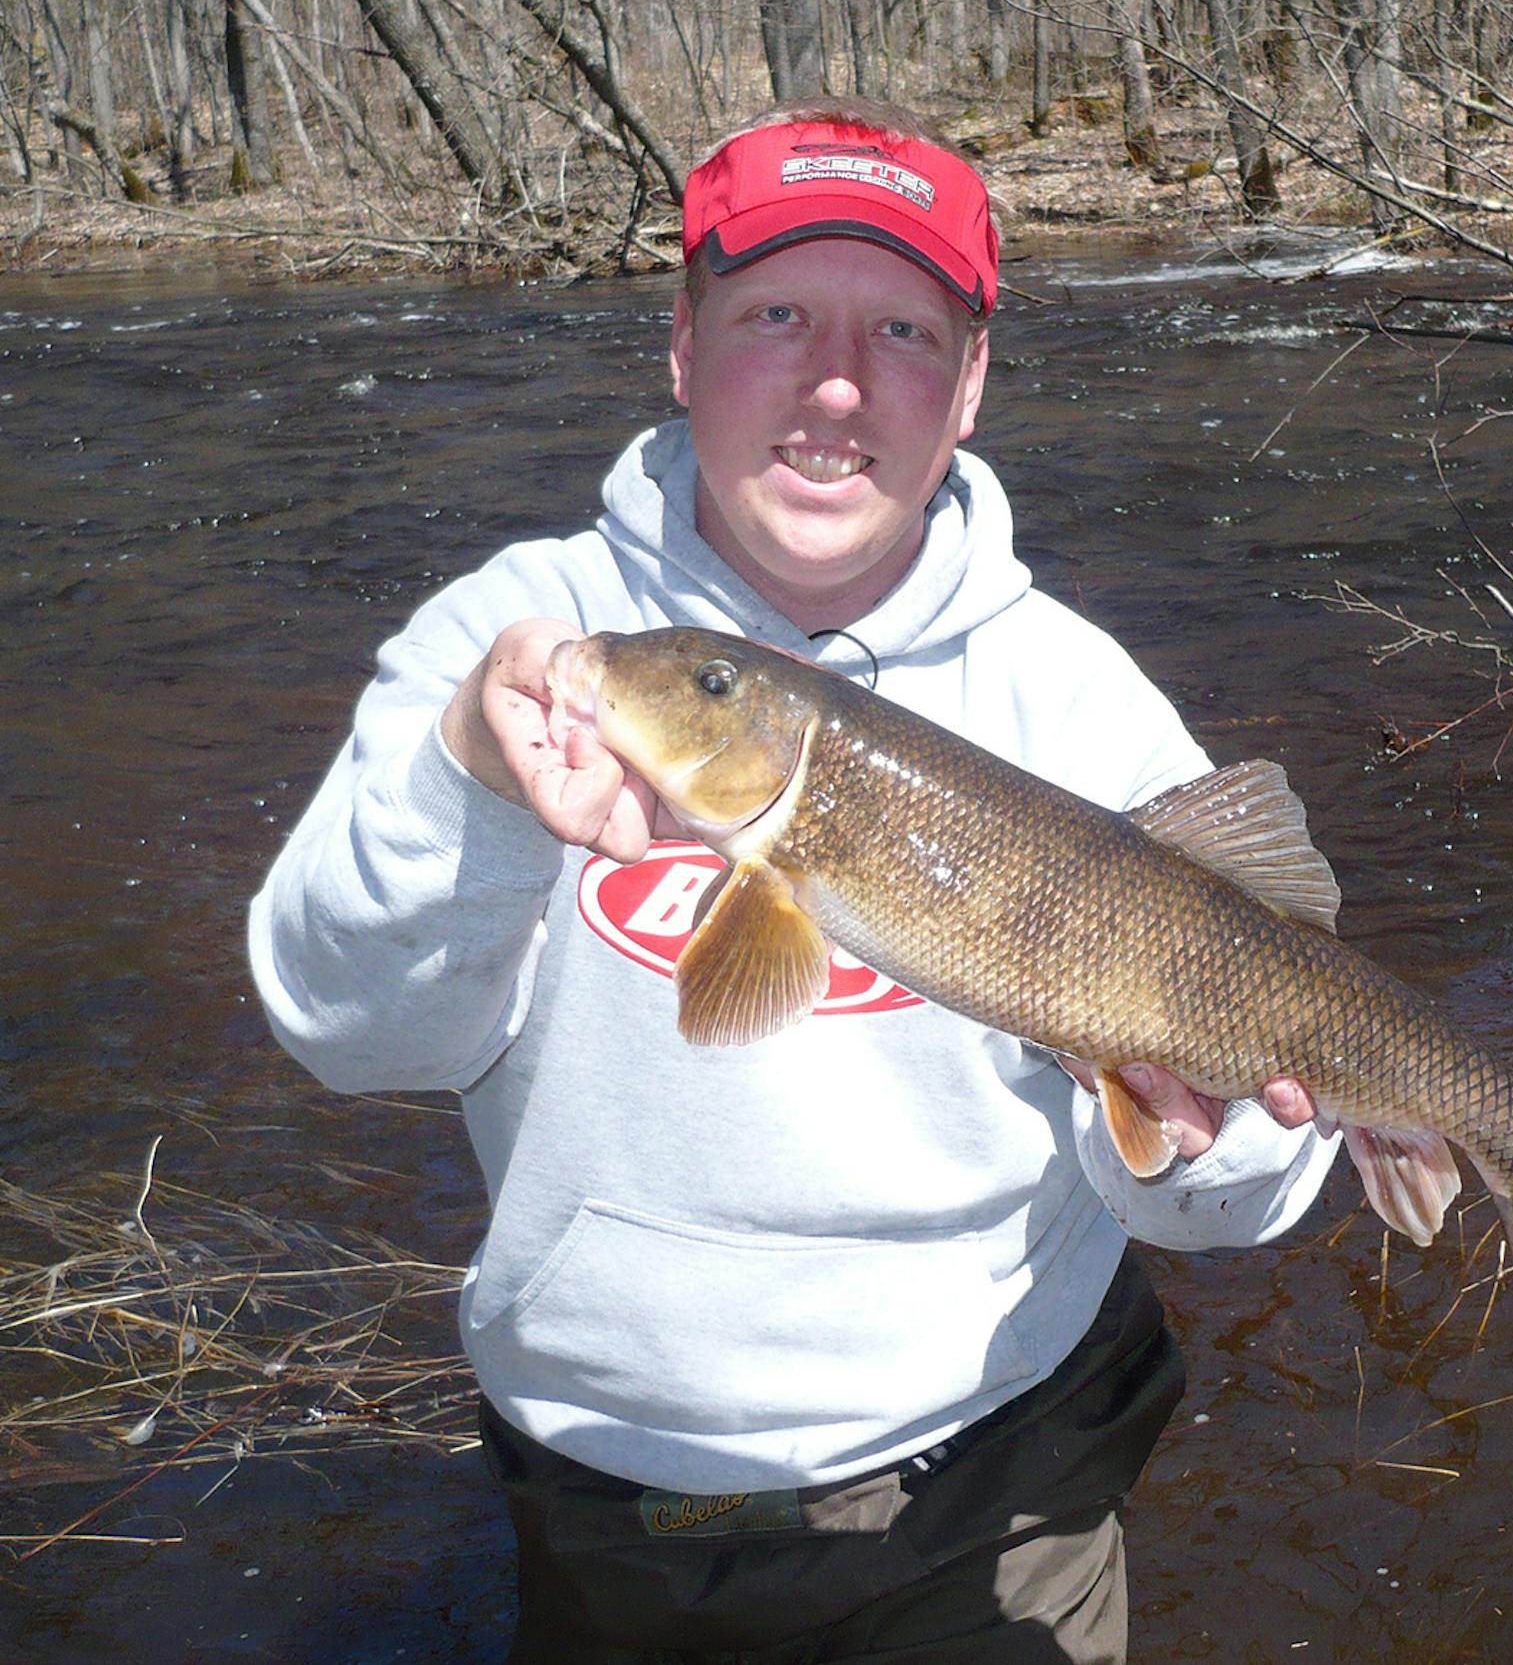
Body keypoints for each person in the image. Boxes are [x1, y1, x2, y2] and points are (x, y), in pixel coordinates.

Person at [249, 97, 1336, 1665]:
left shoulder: (1084, 706)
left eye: (901, 329)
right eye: (776, 315)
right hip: (610, 1507)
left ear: (968, 384)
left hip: (997, 1495)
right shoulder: (526, 646)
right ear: (683, 346)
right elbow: (343, 1038)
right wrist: (480, 796)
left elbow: (1229, 1211)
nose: (837, 384)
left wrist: (1210, 1140)